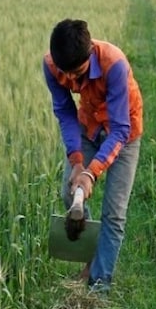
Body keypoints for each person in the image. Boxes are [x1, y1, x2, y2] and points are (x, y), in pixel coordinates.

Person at [43, 18, 143, 294]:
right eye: (67, 73)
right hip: (89, 127)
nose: (72, 79)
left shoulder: (115, 65)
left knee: (114, 213)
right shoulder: (51, 66)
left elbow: (121, 129)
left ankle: (100, 285)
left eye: (78, 72)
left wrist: (91, 172)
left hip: (125, 131)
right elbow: (64, 111)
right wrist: (77, 162)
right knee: (69, 192)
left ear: (89, 54)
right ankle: (90, 262)